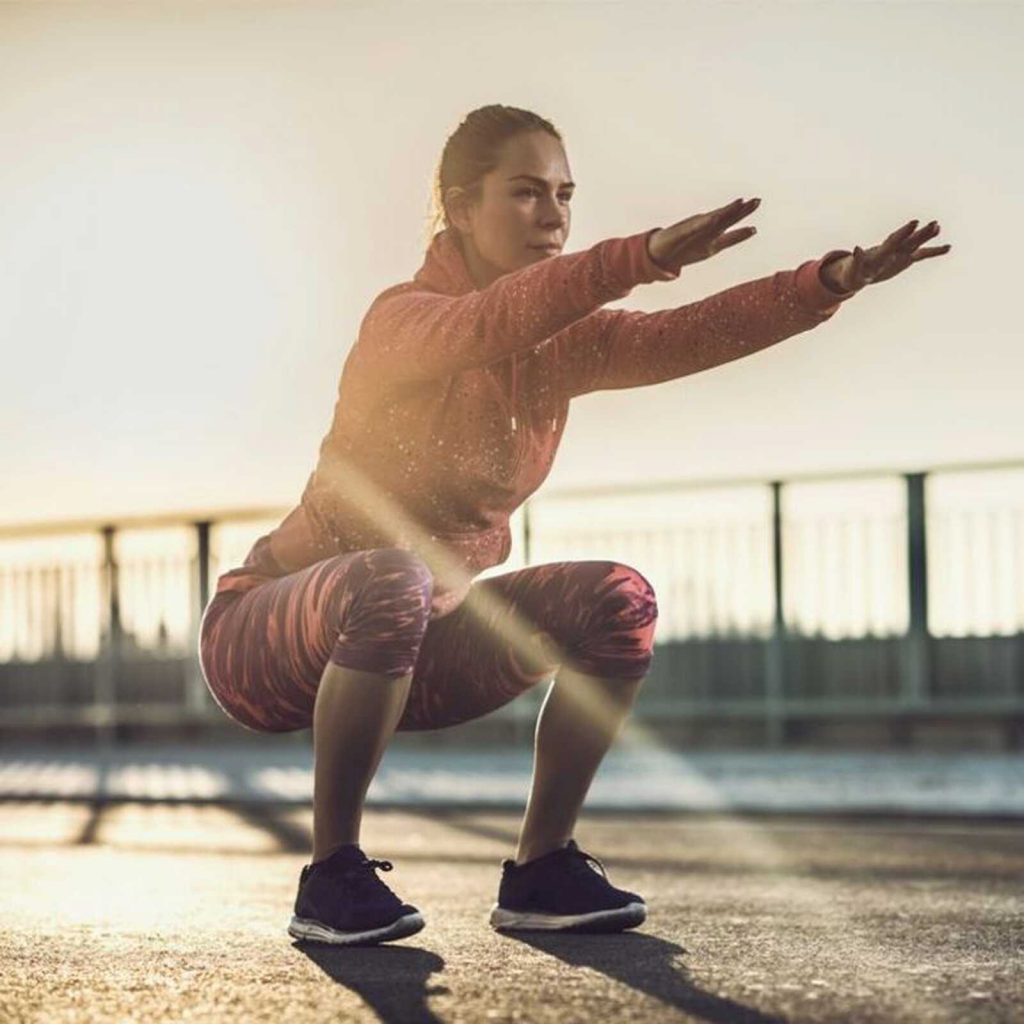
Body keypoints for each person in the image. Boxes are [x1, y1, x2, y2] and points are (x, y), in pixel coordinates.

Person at [197, 103, 950, 946]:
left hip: (413, 647)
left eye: (564, 194)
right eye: (525, 193)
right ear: (458, 207)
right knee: (392, 575)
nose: (552, 214)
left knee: (618, 598)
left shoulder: (561, 350)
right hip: (264, 641)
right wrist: (641, 256)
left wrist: (829, 281)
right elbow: (492, 322)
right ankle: (330, 873)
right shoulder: (403, 324)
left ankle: (541, 869)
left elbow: (685, 335)